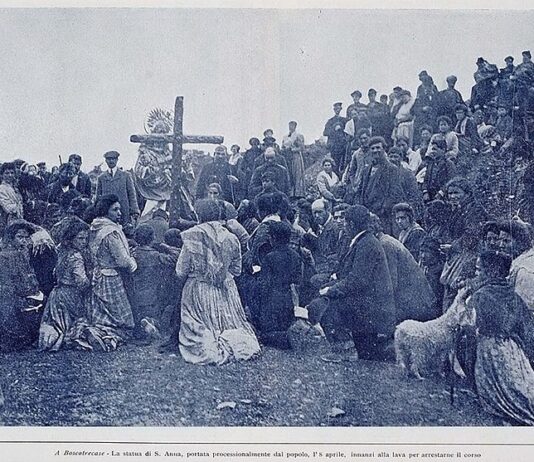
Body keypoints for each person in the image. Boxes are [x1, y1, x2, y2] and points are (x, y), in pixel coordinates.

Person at [176, 199, 260, 365]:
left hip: (199, 290)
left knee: (203, 328)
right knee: (230, 325)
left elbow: (181, 270)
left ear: (199, 215)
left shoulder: (192, 235)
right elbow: (236, 270)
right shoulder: (231, 237)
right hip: (226, 290)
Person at [319, 205, 396, 361]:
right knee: (367, 352)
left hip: (372, 307)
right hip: (368, 302)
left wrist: (331, 290)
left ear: (352, 224)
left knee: (325, 305)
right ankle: (350, 349)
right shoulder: (364, 241)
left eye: (345, 222)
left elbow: (358, 281)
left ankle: (343, 350)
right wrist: (332, 284)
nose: (344, 225)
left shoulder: (367, 244)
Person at [468, 251, 534, 425]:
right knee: (522, 383)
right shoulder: (512, 295)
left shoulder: (481, 295)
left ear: (492, 271)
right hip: (513, 349)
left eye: (480, 270)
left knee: (506, 391)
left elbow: (471, 323)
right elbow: (525, 326)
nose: (476, 274)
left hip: (490, 351)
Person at [87, 194, 137, 351]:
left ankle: (100, 332)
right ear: (105, 211)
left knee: (102, 313)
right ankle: (108, 335)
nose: (119, 213)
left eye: (119, 209)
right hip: (110, 277)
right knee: (120, 318)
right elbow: (122, 260)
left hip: (98, 274)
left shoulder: (95, 226)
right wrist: (133, 263)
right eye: (115, 210)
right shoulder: (110, 232)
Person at [369, 213, 435, 323]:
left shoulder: (385, 245)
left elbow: (391, 283)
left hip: (417, 305)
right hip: (411, 301)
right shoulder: (383, 242)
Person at [38, 218, 91, 351]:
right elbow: (81, 281)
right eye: (80, 238)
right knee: (75, 320)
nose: (84, 242)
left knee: (56, 322)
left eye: (86, 239)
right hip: (71, 294)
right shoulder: (76, 256)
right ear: (71, 239)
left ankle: (52, 338)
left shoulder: (60, 250)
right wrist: (92, 280)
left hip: (56, 294)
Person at [257, 221, 302, 349]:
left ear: (274, 238)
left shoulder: (269, 257)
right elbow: (298, 279)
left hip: (273, 302)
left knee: (265, 333)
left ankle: (276, 337)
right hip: (289, 300)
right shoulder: (296, 256)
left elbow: (264, 285)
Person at [0, 221, 42, 352]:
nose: (23, 240)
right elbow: (9, 281)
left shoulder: (22, 254)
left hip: (21, 292)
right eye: (19, 237)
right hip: (9, 293)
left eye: (26, 237)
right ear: (11, 238)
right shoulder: (5, 256)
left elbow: (28, 276)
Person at [354, 136, 403, 234]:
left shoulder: (392, 169)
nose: (375, 150)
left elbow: (394, 194)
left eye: (378, 147)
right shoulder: (366, 170)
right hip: (366, 215)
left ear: (384, 149)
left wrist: (382, 210)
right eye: (372, 148)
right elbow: (360, 191)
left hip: (383, 217)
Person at [96, 151, 140, 226]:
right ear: (106, 161)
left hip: (123, 211)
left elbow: (132, 195)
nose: (111, 161)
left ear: (117, 160)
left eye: (113, 159)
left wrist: (135, 210)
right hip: (107, 212)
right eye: (109, 159)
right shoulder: (101, 178)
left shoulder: (125, 175)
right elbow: (98, 197)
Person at [420, 138, 457, 202]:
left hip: (444, 197)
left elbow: (451, 181)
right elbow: (426, 179)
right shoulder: (431, 163)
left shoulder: (449, 164)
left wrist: (441, 193)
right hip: (430, 196)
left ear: (443, 150)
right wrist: (425, 192)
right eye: (432, 149)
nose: (433, 151)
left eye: (435, 149)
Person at [281, 121, 306, 197]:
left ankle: (298, 193)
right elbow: (282, 146)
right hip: (287, 157)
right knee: (289, 173)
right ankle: (291, 193)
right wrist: (284, 149)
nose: (291, 127)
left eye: (292, 125)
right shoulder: (285, 137)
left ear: (295, 126)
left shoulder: (298, 136)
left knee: (297, 174)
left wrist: (292, 150)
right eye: (290, 125)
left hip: (295, 156)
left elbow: (302, 148)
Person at [0, 162, 24, 236]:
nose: (10, 175)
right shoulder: (2, 188)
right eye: (7, 173)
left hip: (18, 219)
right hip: (6, 221)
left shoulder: (15, 188)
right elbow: (8, 207)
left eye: (12, 173)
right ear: (2, 175)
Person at [323, 102, 347, 173]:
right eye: (336, 109)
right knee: (335, 163)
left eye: (338, 108)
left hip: (343, 145)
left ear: (341, 109)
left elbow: (348, 131)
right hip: (334, 146)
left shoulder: (344, 120)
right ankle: (335, 176)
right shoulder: (330, 121)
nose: (337, 110)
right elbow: (325, 132)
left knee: (343, 163)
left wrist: (342, 129)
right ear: (334, 110)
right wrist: (334, 129)